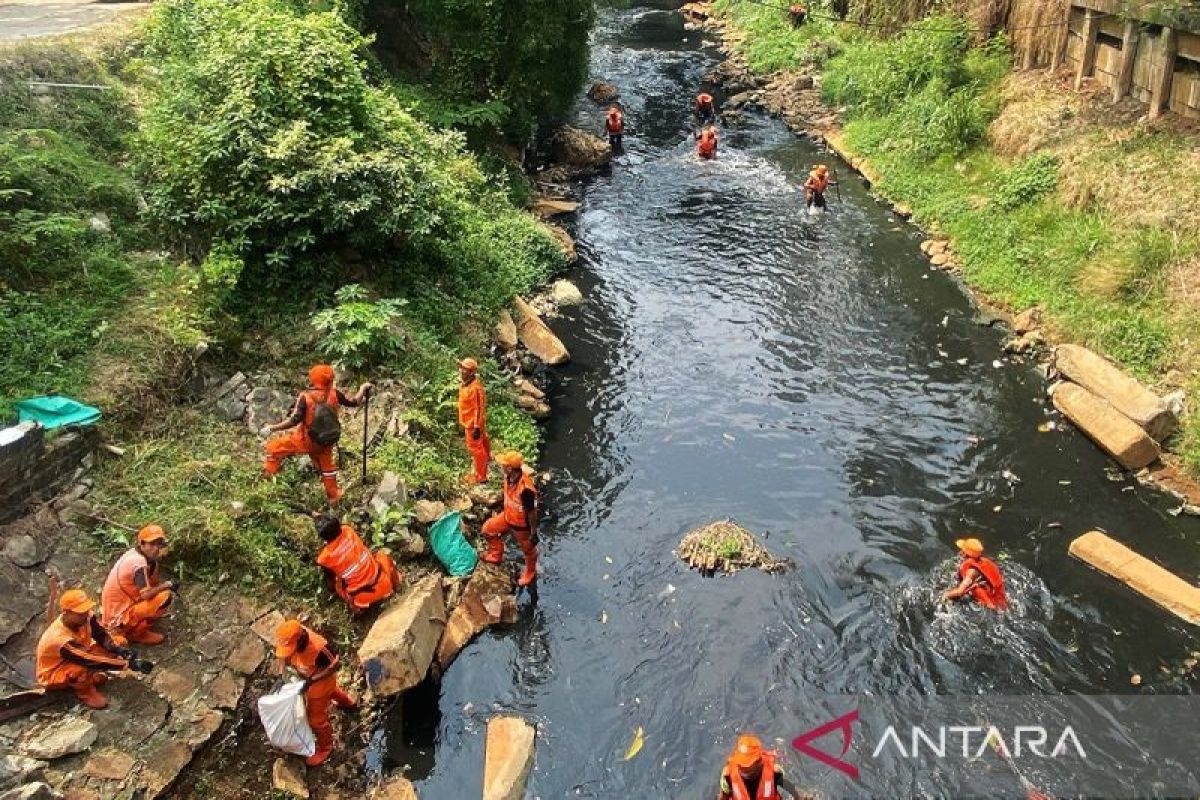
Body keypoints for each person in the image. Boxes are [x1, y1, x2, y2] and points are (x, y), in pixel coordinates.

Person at [263, 364, 372, 504]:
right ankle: (334, 496)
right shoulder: (335, 393)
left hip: (305, 440)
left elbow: (293, 421)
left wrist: (272, 428)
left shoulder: (306, 397)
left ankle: (268, 479)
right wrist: (363, 388)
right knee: (328, 468)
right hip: (326, 441)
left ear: (313, 379)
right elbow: (354, 402)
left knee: (273, 448)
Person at [37, 589, 153, 710]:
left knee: (119, 642)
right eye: (80, 612)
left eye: (86, 610)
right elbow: (87, 660)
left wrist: (119, 650)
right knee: (79, 670)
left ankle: (91, 676)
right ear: (66, 613)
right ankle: (86, 692)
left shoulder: (86, 617)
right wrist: (127, 664)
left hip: (81, 653)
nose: (86, 614)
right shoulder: (59, 640)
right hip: (54, 672)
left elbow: (101, 635)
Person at [275, 619, 358, 767]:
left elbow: (335, 665)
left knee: (316, 720)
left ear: (300, 639)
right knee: (332, 692)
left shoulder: (319, 649)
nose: (289, 653)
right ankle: (348, 703)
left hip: (320, 684)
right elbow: (282, 656)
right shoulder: (289, 636)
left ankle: (326, 747)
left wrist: (311, 681)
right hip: (312, 679)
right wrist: (280, 676)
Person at [101, 524, 176, 645]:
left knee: (158, 592)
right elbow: (146, 594)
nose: (156, 548)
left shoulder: (139, 556)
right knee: (164, 597)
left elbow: (153, 582)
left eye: (158, 544)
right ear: (142, 544)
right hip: (119, 616)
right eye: (151, 544)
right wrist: (166, 585)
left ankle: (133, 626)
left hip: (120, 607)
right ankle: (135, 633)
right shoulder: (138, 564)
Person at [314, 513, 401, 613]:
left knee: (338, 585)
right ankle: (397, 586)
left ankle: (357, 609)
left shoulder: (324, 558)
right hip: (383, 583)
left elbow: (330, 583)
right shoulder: (348, 531)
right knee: (382, 555)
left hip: (362, 597)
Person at [481, 451, 540, 586]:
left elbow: (532, 513)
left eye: (503, 465)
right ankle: (496, 554)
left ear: (509, 468)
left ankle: (530, 572)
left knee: (528, 550)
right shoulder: (509, 477)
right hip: (507, 517)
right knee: (487, 530)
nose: (501, 466)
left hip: (521, 526)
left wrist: (533, 533)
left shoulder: (526, 490)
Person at [718, 734, 802, 800]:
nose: (743, 768)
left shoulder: (774, 772)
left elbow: (793, 790)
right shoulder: (728, 775)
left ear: (759, 762)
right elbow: (723, 796)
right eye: (740, 763)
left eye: (747, 764)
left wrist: (801, 797)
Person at [942, 537, 1008, 610]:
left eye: (962, 550)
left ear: (964, 553)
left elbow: (960, 591)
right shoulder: (984, 561)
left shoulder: (971, 572)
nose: (960, 552)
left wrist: (946, 595)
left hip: (990, 604)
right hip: (1000, 596)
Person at [458, 358, 490, 485]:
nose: (461, 370)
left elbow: (479, 408)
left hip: (473, 424)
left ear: (471, 372)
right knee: (480, 445)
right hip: (468, 422)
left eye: (464, 369)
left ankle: (481, 477)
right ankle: (484, 463)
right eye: (461, 368)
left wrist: (476, 427)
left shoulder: (475, 388)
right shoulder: (465, 383)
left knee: (476, 450)